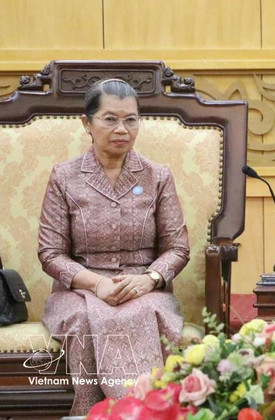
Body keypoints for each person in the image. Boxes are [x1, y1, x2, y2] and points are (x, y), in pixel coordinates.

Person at [38, 79, 190, 415]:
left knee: (143, 311)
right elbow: (50, 253)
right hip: (79, 289)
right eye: (110, 119)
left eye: (131, 119)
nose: (122, 129)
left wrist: (149, 279)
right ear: (87, 123)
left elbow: (178, 248)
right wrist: (96, 283)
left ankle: (149, 411)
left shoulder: (157, 176)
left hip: (144, 287)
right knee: (82, 317)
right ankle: (93, 412)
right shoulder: (64, 177)